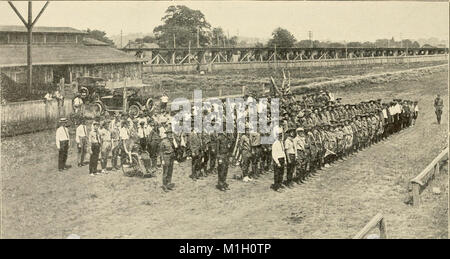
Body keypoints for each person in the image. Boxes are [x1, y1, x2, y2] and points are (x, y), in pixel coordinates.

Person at [159, 128, 175, 192]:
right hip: (166, 157)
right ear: (167, 134)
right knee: (165, 172)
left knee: (170, 171)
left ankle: (169, 184)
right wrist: (162, 160)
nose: (170, 135)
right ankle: (164, 185)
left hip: (171, 157)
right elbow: (161, 151)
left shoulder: (172, 141)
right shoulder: (163, 141)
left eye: (171, 133)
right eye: (169, 133)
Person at [216, 125, 232, 191]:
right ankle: (221, 184)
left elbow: (229, 147)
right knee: (221, 171)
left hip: (226, 155)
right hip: (221, 156)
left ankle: (224, 183)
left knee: (225, 170)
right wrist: (219, 158)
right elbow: (217, 149)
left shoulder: (227, 137)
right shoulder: (219, 138)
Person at [271, 126, 286, 192]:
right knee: (277, 173)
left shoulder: (281, 143)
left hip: (282, 159)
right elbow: (274, 154)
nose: (280, 136)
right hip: (277, 160)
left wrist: (285, 160)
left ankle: (280, 184)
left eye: (281, 135)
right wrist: (277, 162)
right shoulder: (275, 143)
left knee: (281, 173)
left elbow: (283, 152)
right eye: (279, 135)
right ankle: (276, 187)